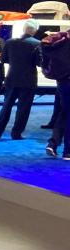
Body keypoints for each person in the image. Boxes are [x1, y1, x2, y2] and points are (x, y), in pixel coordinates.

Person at [0, 20, 42, 140]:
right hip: (28, 80)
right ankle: (16, 133)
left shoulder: (10, 42)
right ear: (34, 30)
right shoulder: (37, 43)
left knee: (6, 106)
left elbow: (4, 59)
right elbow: (39, 63)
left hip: (12, 78)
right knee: (23, 108)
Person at [42, 29, 70, 159]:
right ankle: (68, 151)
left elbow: (44, 50)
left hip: (62, 81)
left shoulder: (60, 37)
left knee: (64, 112)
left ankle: (53, 143)